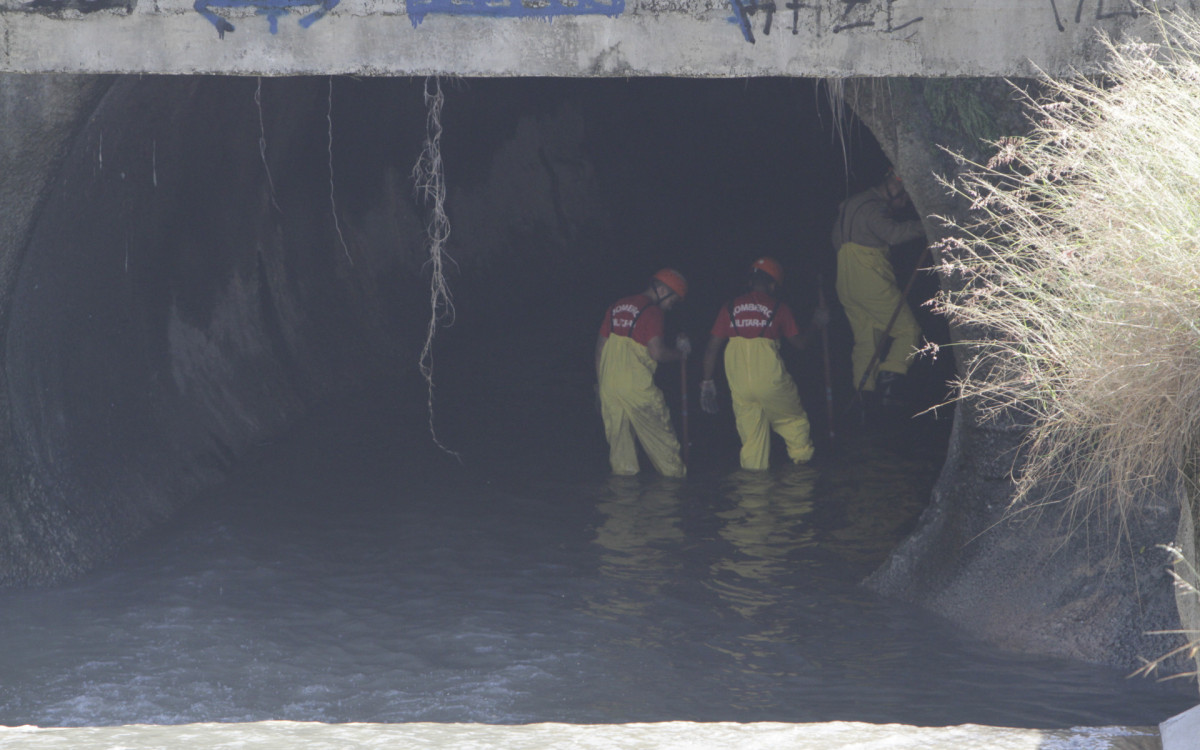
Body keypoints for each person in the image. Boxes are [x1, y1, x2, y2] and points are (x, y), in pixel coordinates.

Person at [699, 257, 826, 471]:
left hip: (739, 384)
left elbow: (712, 347)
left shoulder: (729, 307)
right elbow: (800, 344)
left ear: (750, 282)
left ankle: (753, 497)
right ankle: (799, 484)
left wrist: (706, 383)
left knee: (752, 442)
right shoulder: (779, 308)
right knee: (792, 422)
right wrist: (817, 323)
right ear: (773, 285)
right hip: (770, 380)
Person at [830, 167, 926, 406]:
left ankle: (864, 396)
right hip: (869, 280)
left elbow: (835, 241)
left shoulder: (850, 205)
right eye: (903, 195)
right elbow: (892, 234)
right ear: (891, 185)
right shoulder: (873, 206)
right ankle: (889, 382)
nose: (903, 203)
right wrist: (925, 227)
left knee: (866, 339)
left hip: (844, 281)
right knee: (908, 331)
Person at [595, 268, 692, 478]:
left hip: (608, 387)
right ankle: (674, 499)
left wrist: (600, 384)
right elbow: (657, 352)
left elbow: (600, 348)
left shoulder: (616, 306)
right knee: (666, 451)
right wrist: (680, 354)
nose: (670, 307)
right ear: (662, 289)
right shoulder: (652, 311)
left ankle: (623, 504)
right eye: (672, 301)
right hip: (636, 387)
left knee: (621, 457)